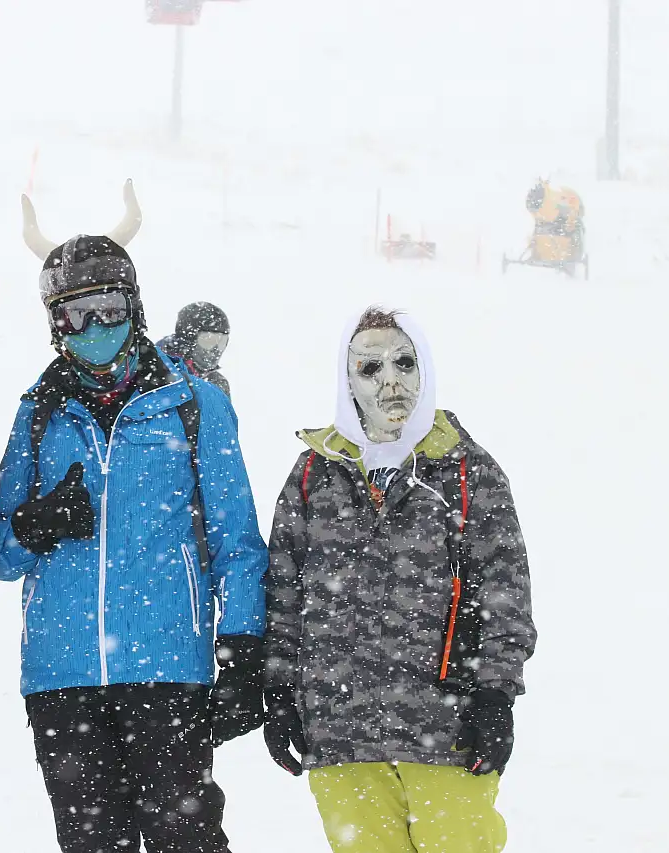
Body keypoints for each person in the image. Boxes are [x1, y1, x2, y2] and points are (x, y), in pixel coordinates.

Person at [0, 233, 269, 853]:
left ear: (135, 307)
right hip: (63, 673)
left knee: (187, 840)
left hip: (168, 667)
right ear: (54, 322)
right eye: (76, 313)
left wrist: (244, 648)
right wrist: (36, 526)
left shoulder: (195, 405)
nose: (94, 326)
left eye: (109, 308)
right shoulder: (37, 413)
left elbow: (238, 541)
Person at [264, 306, 536, 853]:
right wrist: (279, 688)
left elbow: (505, 592)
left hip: (445, 725)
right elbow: (283, 592)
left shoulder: (468, 471)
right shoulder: (313, 474)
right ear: (347, 382)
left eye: (403, 362)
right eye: (369, 368)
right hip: (340, 729)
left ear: (425, 370)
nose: (390, 381)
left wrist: (496, 695)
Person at [158, 301, 232, 397]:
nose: (216, 349)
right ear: (188, 341)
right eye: (209, 340)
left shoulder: (217, 383)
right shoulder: (160, 374)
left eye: (222, 341)